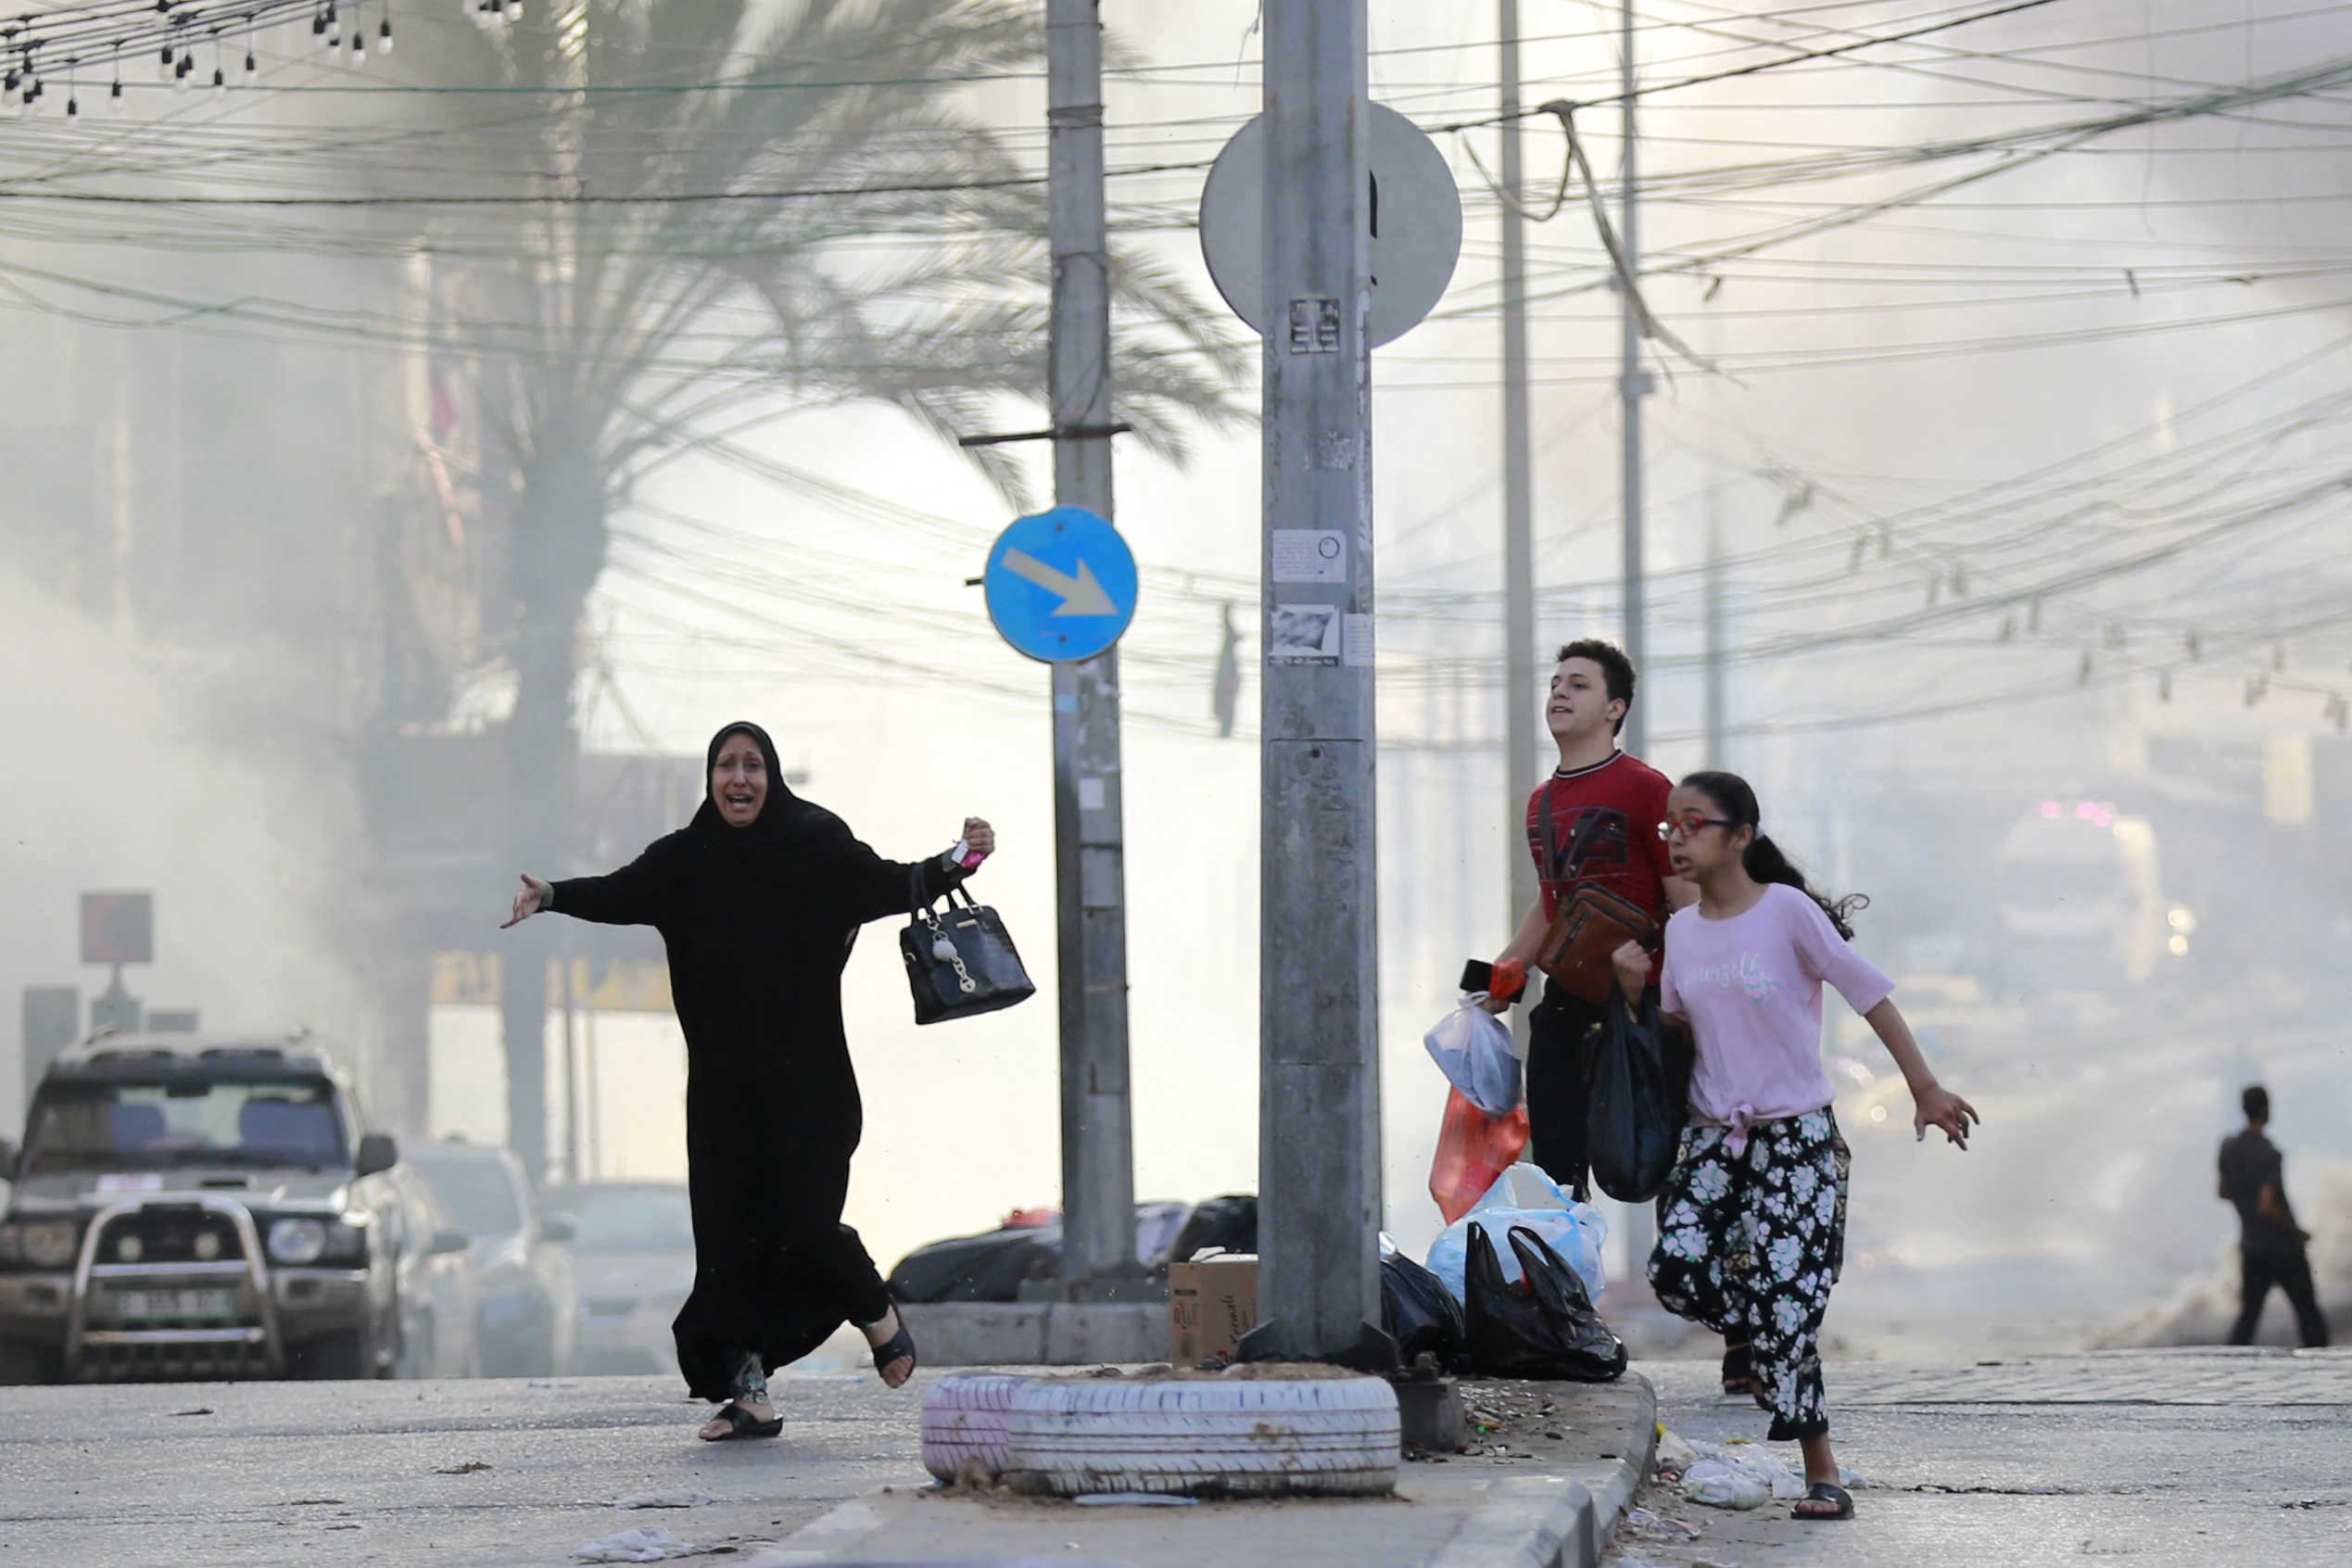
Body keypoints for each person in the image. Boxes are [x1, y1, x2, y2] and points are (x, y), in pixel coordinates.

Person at [503, 721, 993, 1441]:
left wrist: (962, 857)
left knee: (801, 1229)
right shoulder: (685, 862)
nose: (739, 779)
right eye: (726, 766)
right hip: (723, 1097)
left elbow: (891, 883)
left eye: (752, 765)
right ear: (709, 780)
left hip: (812, 1089)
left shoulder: (816, 846)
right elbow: (618, 892)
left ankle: (876, 1310)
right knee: (730, 1249)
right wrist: (550, 895)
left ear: (772, 777)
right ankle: (750, 1395)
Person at [1616, 770, 1977, 1523]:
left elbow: (1869, 994)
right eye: (1669, 827)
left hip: (1795, 1140)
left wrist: (1925, 1087)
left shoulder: (1786, 914)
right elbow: (1679, 1034)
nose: (1677, 837)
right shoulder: (1680, 933)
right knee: (1677, 1271)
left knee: (1788, 1311)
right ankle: (1755, 1320)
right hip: (1714, 1140)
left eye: (1693, 824)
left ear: (1740, 836)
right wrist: (1631, 995)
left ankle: (1823, 1473)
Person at [1486, 640, 1692, 1198]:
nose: (1559, 693)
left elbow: (1688, 902)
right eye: (1556, 684)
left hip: (1643, 1006)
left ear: (1614, 709)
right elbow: (1549, 903)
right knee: (1555, 1175)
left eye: (1579, 685)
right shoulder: (1540, 803)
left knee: (1653, 1164)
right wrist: (1498, 975)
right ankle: (1564, 1277)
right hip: (1567, 1000)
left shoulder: (1648, 789)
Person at [2219, 1085, 2328, 1347]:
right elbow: (2267, 1205)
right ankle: (2323, 1378)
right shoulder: (2269, 1153)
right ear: (2266, 1109)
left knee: (2248, 1319)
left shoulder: (2228, 1148)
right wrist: (2296, 1231)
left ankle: (2227, 1375)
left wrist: (2245, 1198)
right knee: (2309, 1317)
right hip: (2283, 1248)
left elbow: (2223, 1191)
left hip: (2252, 1248)